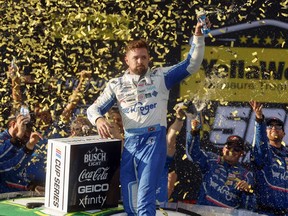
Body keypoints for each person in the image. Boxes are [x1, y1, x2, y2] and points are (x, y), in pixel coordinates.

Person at [87, 17, 208, 215]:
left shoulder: (161, 77)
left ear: (149, 58)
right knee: (130, 204)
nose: (140, 61)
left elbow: (192, 64)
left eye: (144, 57)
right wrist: (99, 119)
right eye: (136, 58)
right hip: (131, 144)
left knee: (144, 201)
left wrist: (198, 36)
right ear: (126, 60)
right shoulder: (116, 85)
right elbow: (93, 109)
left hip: (154, 141)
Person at [186, 119, 255, 209]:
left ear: (242, 153)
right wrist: (194, 132)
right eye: (229, 146)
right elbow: (193, 153)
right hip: (203, 212)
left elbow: (249, 208)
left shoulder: (246, 175)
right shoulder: (211, 160)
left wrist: (248, 192)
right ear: (223, 148)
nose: (231, 151)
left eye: (236, 149)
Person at [249, 100, 288, 215]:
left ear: (284, 133)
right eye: (270, 126)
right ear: (265, 132)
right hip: (265, 212)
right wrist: (259, 119)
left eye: (278, 126)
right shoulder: (263, 153)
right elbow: (260, 143)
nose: (274, 128)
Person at [0, 114, 42, 193]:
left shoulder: (25, 140)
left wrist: (32, 185)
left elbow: (21, 171)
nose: (26, 134)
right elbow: (8, 168)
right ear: (13, 124)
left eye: (28, 129)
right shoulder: (3, 139)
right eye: (23, 126)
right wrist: (19, 136)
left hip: (20, 194)